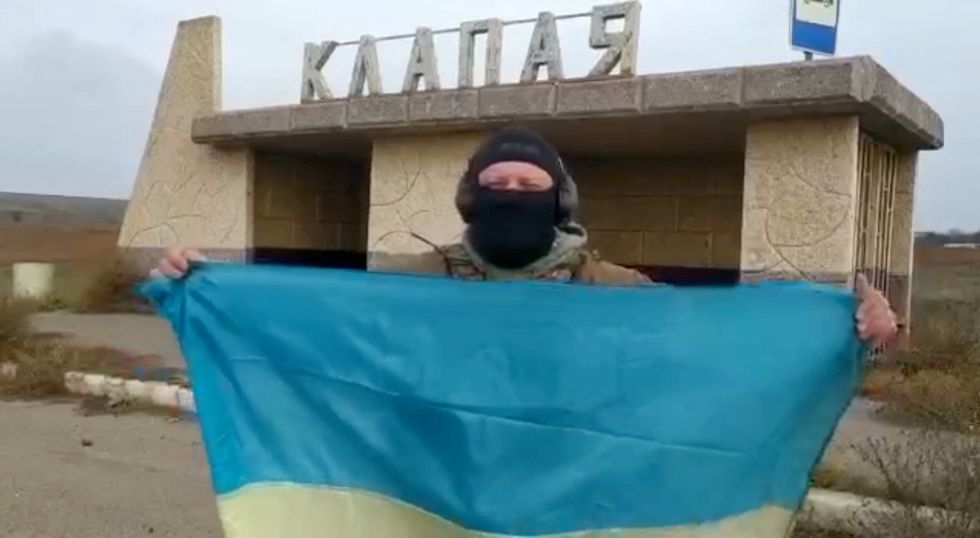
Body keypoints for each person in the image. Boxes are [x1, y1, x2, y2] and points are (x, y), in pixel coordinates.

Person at [154, 127, 898, 346]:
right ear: (471, 200)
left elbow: (718, 340)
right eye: (495, 187)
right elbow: (307, 327)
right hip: (431, 493)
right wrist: (199, 283)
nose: (510, 197)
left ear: (559, 203)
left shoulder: (617, 291)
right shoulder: (410, 282)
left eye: (529, 188)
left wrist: (844, 324)